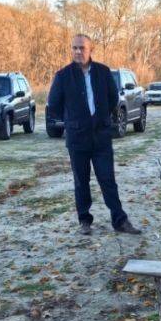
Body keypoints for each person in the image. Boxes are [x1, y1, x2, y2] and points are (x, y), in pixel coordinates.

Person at [47, 34, 141, 236]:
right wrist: (72, 121)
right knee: (81, 181)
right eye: (74, 48)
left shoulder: (103, 72)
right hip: (77, 138)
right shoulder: (63, 76)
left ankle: (120, 220)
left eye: (82, 48)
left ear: (91, 49)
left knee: (107, 179)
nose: (78, 52)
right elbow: (53, 105)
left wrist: (100, 118)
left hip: (101, 137)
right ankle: (84, 221)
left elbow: (112, 97)